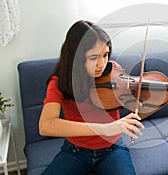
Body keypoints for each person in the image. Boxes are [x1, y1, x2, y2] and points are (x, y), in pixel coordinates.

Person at [39, 20, 146, 175]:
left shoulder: (113, 70)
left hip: (112, 148)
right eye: (94, 57)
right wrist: (106, 128)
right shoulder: (59, 82)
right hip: (75, 151)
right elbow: (46, 125)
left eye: (106, 55)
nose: (102, 64)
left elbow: (136, 106)